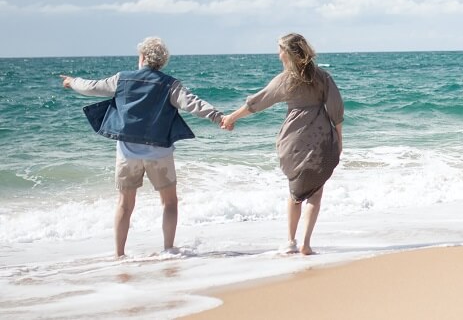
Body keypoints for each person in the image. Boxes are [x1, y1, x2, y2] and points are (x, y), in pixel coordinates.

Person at [60, 37, 224, 258]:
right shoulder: (170, 84)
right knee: (169, 202)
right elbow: (192, 103)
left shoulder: (122, 79)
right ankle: (168, 249)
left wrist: (72, 81)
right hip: (160, 153)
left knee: (125, 205)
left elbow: (91, 87)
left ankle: (119, 254)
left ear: (143, 57)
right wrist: (219, 117)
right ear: (162, 61)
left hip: (127, 154)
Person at [221, 33, 343, 255]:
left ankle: (289, 241)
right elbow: (336, 109)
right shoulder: (322, 76)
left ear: (288, 53)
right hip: (321, 137)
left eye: (280, 50)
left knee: (295, 193)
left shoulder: (286, 79)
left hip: (294, 140)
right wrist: (339, 139)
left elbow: (257, 102)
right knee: (315, 194)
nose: (278, 55)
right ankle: (306, 243)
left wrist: (231, 117)